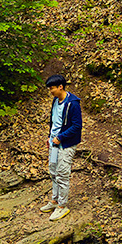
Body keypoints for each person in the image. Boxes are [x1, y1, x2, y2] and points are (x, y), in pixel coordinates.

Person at [42, 74, 82, 222]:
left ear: (60, 87)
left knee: (62, 174)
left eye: (52, 88)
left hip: (66, 145)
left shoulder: (73, 104)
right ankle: (55, 200)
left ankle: (62, 206)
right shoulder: (55, 101)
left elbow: (77, 126)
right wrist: (50, 136)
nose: (50, 91)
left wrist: (60, 137)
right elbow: (54, 121)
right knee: (53, 171)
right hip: (54, 144)